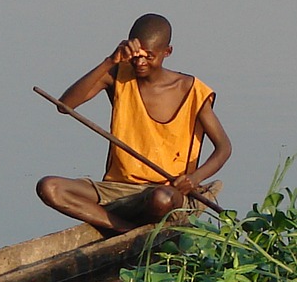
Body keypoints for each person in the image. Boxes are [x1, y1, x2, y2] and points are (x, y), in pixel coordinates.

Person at [36, 13, 231, 232]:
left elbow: (223, 148)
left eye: (149, 56)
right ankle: (125, 231)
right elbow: (65, 106)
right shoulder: (118, 75)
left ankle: (129, 230)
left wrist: (194, 179)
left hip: (167, 192)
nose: (140, 62)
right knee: (49, 187)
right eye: (135, 56)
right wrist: (110, 61)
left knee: (160, 199)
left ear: (167, 52)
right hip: (117, 189)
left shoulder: (192, 90)